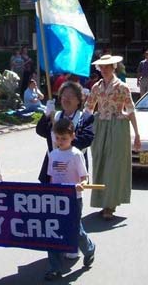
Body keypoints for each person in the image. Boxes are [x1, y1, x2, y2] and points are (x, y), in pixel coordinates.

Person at [85, 54, 141, 220]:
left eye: (107, 66)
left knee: (113, 165)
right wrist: (81, 128)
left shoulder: (122, 87)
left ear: (113, 67)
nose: (104, 70)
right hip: (100, 126)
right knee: (100, 163)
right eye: (101, 67)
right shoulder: (96, 87)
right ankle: (102, 201)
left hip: (117, 126)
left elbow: (131, 110)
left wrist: (137, 134)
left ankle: (110, 205)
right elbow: (88, 109)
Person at [44, 119, 96, 281]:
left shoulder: (76, 154)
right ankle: (54, 267)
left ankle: (89, 249)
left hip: (73, 198)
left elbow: (84, 176)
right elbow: (51, 178)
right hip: (56, 198)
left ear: (72, 136)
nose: (60, 141)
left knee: (74, 229)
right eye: (58, 138)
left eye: (64, 138)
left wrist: (82, 184)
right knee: (53, 231)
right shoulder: (52, 154)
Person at [36, 81, 94, 184]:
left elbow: (86, 140)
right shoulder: (55, 116)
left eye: (70, 96)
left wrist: (64, 139)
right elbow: (40, 131)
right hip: (52, 170)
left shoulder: (85, 118)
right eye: (64, 95)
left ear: (78, 100)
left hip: (73, 169)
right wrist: (46, 115)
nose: (66, 99)